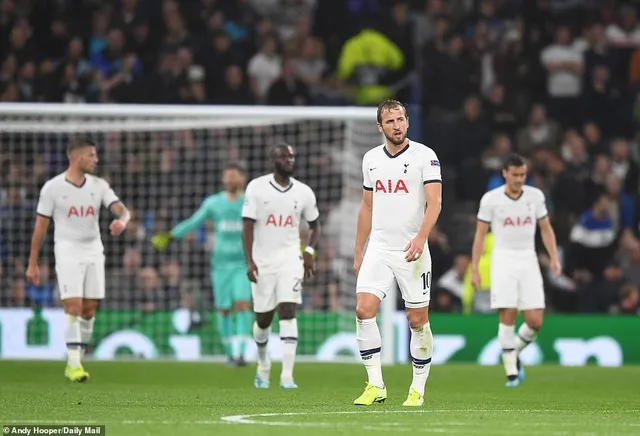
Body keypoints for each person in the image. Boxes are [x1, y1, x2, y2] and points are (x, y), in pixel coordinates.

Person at [353, 99, 442, 407]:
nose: (397, 125)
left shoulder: (425, 156)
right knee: (364, 310)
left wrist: (421, 237)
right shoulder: (371, 159)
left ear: (407, 121)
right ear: (380, 127)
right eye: (390, 121)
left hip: (412, 250)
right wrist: (358, 250)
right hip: (378, 247)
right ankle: (375, 384)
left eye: (401, 119)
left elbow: (436, 203)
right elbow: (367, 207)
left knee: (417, 320)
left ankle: (417, 388)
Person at [26, 136, 131, 382]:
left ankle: (77, 357)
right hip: (67, 250)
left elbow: (122, 209)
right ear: (75, 157)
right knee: (72, 304)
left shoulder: (99, 185)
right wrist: (33, 262)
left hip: (94, 249)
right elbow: (40, 229)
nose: (96, 159)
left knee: (89, 309)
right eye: (91, 155)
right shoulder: (52, 188)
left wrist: (122, 221)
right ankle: (73, 364)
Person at [471, 154, 561, 387]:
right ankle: (511, 372)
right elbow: (480, 234)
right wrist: (475, 268)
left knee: (535, 321)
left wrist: (553, 258)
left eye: (523, 175)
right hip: (503, 260)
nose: (520, 179)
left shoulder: (535, 197)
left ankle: (513, 352)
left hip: (528, 259)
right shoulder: (491, 199)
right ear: (505, 173)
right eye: (515, 175)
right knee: (508, 313)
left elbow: (546, 228)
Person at [152, 162, 252, 366]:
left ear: (242, 179)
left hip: (244, 263)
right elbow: (193, 222)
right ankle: (230, 354)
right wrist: (171, 235)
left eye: (233, 176)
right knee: (224, 308)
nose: (229, 180)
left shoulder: (252, 202)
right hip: (220, 265)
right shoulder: (213, 203)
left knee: (242, 304)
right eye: (227, 176)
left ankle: (241, 353)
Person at [241, 144, 321, 389]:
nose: (289, 160)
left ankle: (287, 376)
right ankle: (263, 364)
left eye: (292, 156)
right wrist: (249, 260)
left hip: (290, 260)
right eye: (284, 156)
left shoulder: (304, 192)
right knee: (263, 320)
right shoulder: (256, 187)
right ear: (272, 159)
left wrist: (309, 251)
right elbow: (247, 226)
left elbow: (315, 225)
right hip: (263, 261)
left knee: (288, 310)